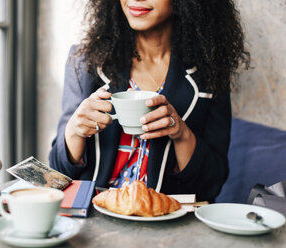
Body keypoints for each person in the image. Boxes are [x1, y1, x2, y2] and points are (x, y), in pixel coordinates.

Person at [49, 0, 249, 202]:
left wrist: (181, 134)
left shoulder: (211, 71)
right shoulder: (84, 62)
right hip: (94, 218)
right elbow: (57, 174)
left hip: (168, 224)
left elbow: (212, 185)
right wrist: (74, 131)